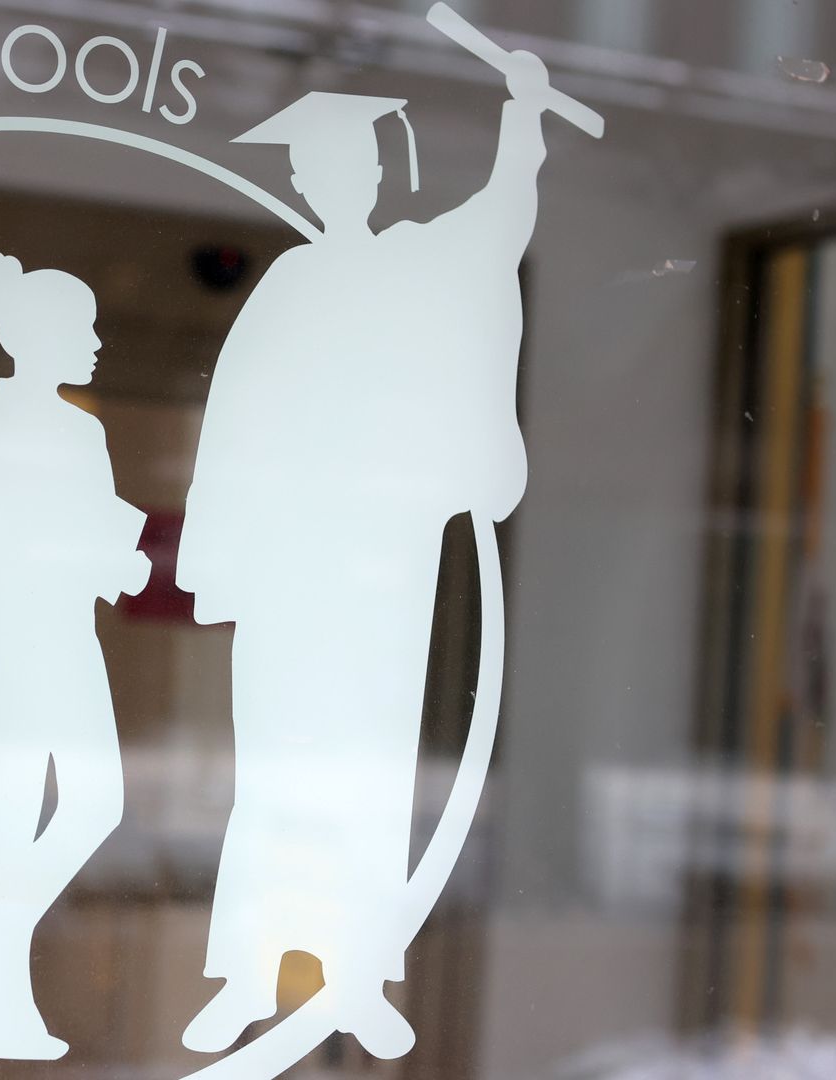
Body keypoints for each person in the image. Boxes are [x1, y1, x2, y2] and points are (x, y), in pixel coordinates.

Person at [177, 57, 561, 1060]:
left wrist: (522, 120)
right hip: (291, 565)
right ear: (304, 184)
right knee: (274, 771)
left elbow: (499, 223)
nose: (331, 182)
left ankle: (356, 977)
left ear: (380, 174)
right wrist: (220, 555)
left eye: (348, 165)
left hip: (380, 564)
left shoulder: (413, 268)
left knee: (371, 772)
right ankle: (247, 973)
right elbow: (235, 428)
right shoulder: (288, 286)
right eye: (316, 170)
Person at [0, 253, 150, 1060]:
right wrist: (82, 551)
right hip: (18, 625)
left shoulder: (83, 430)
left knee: (91, 801)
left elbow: (86, 528)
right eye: (83, 330)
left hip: (64, 624)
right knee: (14, 797)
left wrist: (115, 560)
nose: (96, 346)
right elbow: (4, 533)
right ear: (40, 336)